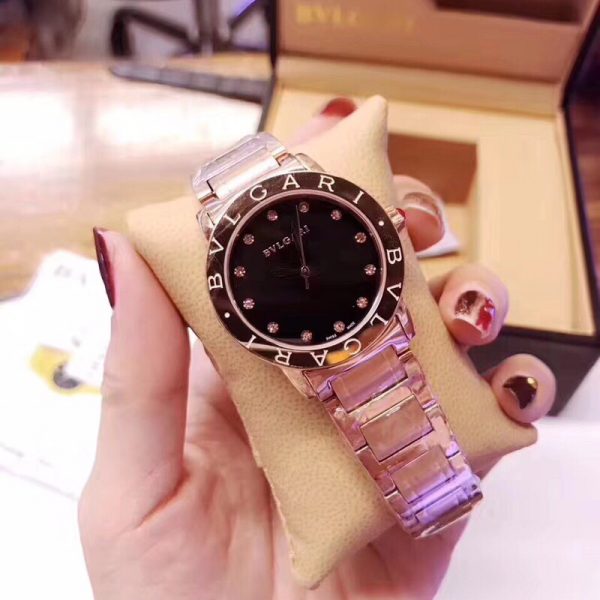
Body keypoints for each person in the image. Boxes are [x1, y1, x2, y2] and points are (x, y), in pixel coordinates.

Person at [79, 98, 555, 599]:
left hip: (384, 332)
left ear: (388, 225)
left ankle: (441, 486)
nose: (305, 273)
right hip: (318, 367)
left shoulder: (311, 213)